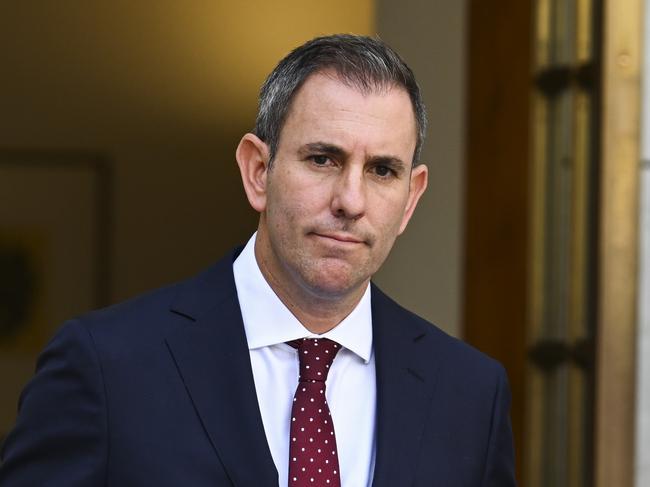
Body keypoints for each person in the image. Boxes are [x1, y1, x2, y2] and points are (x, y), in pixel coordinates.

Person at [0, 34, 516, 486]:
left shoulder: (469, 395)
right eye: (323, 159)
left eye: (382, 170)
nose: (351, 200)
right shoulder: (107, 368)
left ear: (410, 198)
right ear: (257, 171)